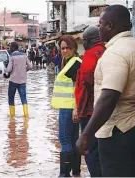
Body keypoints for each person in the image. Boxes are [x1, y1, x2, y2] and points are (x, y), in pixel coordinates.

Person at [76, 5, 135, 177]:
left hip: (116, 131)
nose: (99, 29)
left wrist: (85, 134)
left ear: (110, 26)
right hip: (134, 127)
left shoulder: (116, 53)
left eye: (101, 24)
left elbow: (109, 97)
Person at [74, 26, 105, 177]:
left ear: (88, 41)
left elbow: (86, 78)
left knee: (90, 150)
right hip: (105, 109)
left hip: (89, 112)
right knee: (102, 150)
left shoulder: (90, 55)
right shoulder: (106, 51)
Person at [51, 35, 82, 177]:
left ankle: (64, 174)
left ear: (74, 48)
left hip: (69, 108)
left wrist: (76, 108)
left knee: (64, 139)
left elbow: (78, 87)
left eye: (67, 48)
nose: (64, 51)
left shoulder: (75, 63)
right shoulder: (70, 62)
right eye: (62, 48)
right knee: (73, 139)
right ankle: (76, 171)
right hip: (69, 107)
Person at [5, 42, 32, 118]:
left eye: (10, 47)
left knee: (11, 98)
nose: (10, 48)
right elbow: (30, 66)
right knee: (24, 98)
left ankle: (12, 117)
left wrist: (6, 70)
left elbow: (9, 69)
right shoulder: (24, 55)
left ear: (13, 48)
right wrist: (24, 70)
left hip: (13, 80)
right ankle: (26, 116)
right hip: (22, 81)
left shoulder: (12, 57)